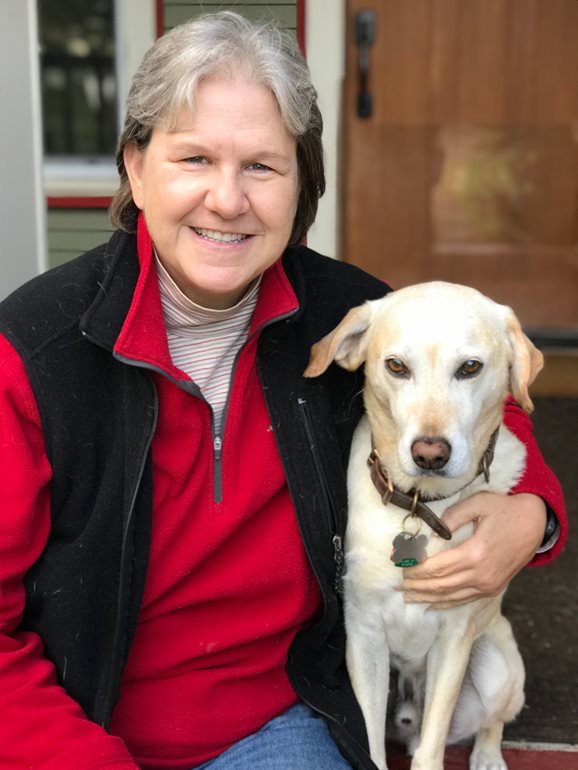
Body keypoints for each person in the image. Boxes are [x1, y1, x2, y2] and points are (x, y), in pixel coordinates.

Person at [0, 11, 566, 770]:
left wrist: (533, 514)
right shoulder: (32, 353)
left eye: (262, 166)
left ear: (304, 187)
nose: (227, 200)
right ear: (135, 169)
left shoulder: (349, 315)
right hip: (79, 732)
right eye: (193, 158)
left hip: (278, 722)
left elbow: (478, 386)